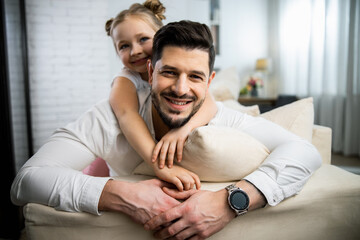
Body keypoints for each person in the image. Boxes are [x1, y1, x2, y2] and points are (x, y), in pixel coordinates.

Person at [11, 20, 321, 239]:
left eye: (195, 77)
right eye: (169, 73)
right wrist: (122, 194)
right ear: (150, 71)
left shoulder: (225, 118)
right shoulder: (109, 115)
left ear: (209, 82)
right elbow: (26, 180)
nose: (181, 89)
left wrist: (230, 201)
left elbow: (305, 151)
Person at [104, 0, 217, 191]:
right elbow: (127, 115)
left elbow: (211, 103)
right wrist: (160, 167)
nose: (135, 50)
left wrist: (182, 130)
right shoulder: (124, 79)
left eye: (143, 40)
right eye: (123, 46)